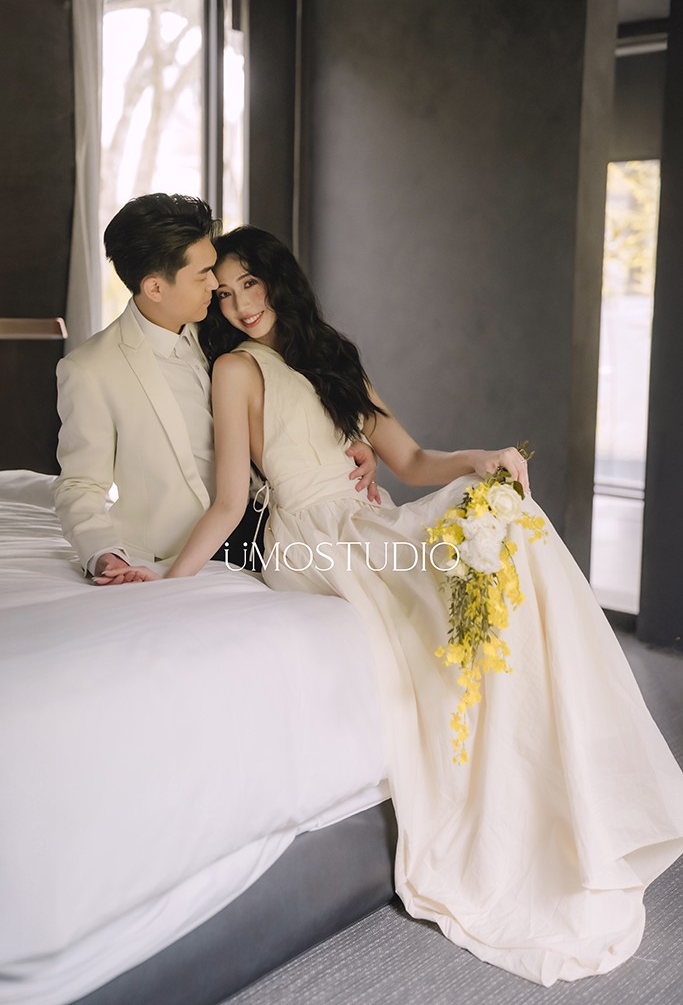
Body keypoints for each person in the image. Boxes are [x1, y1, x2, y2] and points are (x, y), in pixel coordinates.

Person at [102, 226, 683, 985]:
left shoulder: (333, 356)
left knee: (509, 523)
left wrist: (480, 457)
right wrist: (170, 582)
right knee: (442, 592)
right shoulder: (236, 370)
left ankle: (562, 778)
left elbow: (409, 458)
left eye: (252, 283)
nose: (242, 304)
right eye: (227, 291)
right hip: (310, 538)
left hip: (364, 517)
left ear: (278, 280)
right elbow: (230, 501)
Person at [54, 196, 378, 581]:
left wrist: (351, 444)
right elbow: (80, 484)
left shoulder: (226, 325)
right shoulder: (90, 369)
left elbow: (293, 391)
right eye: (203, 274)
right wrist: (104, 555)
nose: (215, 283)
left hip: (275, 528)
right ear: (155, 287)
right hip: (178, 548)